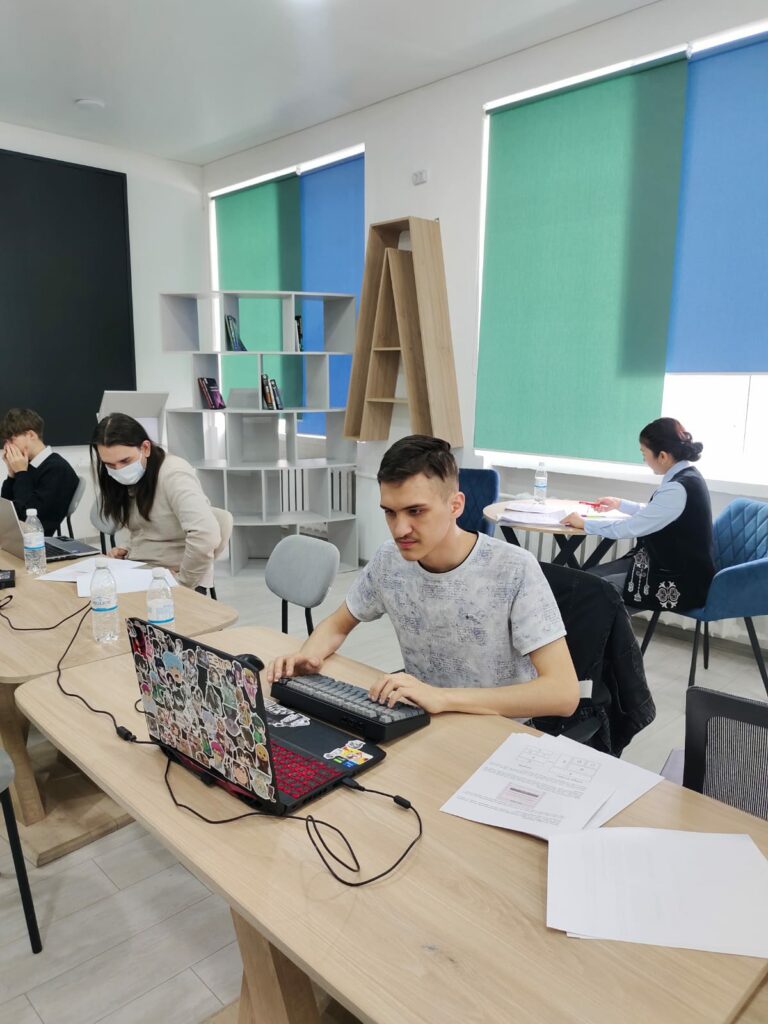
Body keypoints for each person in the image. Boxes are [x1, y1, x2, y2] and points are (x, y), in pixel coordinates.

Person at [267, 435, 578, 719]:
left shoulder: (514, 568)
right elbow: (338, 624)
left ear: (455, 505)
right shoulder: (388, 560)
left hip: (495, 729)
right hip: (422, 718)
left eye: (415, 511)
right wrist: (308, 656)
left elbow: (563, 694)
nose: (400, 529)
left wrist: (442, 698)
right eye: (390, 512)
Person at [560, 417, 714, 612]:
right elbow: (656, 513)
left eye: (644, 453)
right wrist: (620, 504)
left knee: (596, 589)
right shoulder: (686, 477)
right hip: (665, 566)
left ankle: (603, 632)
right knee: (587, 579)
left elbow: (631, 527)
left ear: (663, 456)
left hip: (682, 582)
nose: (644, 460)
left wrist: (584, 524)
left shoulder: (677, 488)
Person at [90, 413, 220, 590]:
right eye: (110, 465)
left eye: (125, 461)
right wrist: (128, 547)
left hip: (175, 574)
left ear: (145, 448)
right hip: (143, 567)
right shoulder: (136, 476)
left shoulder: (174, 474)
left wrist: (183, 582)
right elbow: (146, 524)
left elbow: (205, 534)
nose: (118, 470)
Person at [0, 407, 79, 536]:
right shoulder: (28, 465)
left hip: (34, 539)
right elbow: (6, 510)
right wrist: (12, 474)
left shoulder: (57, 469)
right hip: (14, 534)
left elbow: (29, 518)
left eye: (11, 440)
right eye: (6, 442)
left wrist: (21, 473)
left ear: (31, 435)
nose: (7, 447)